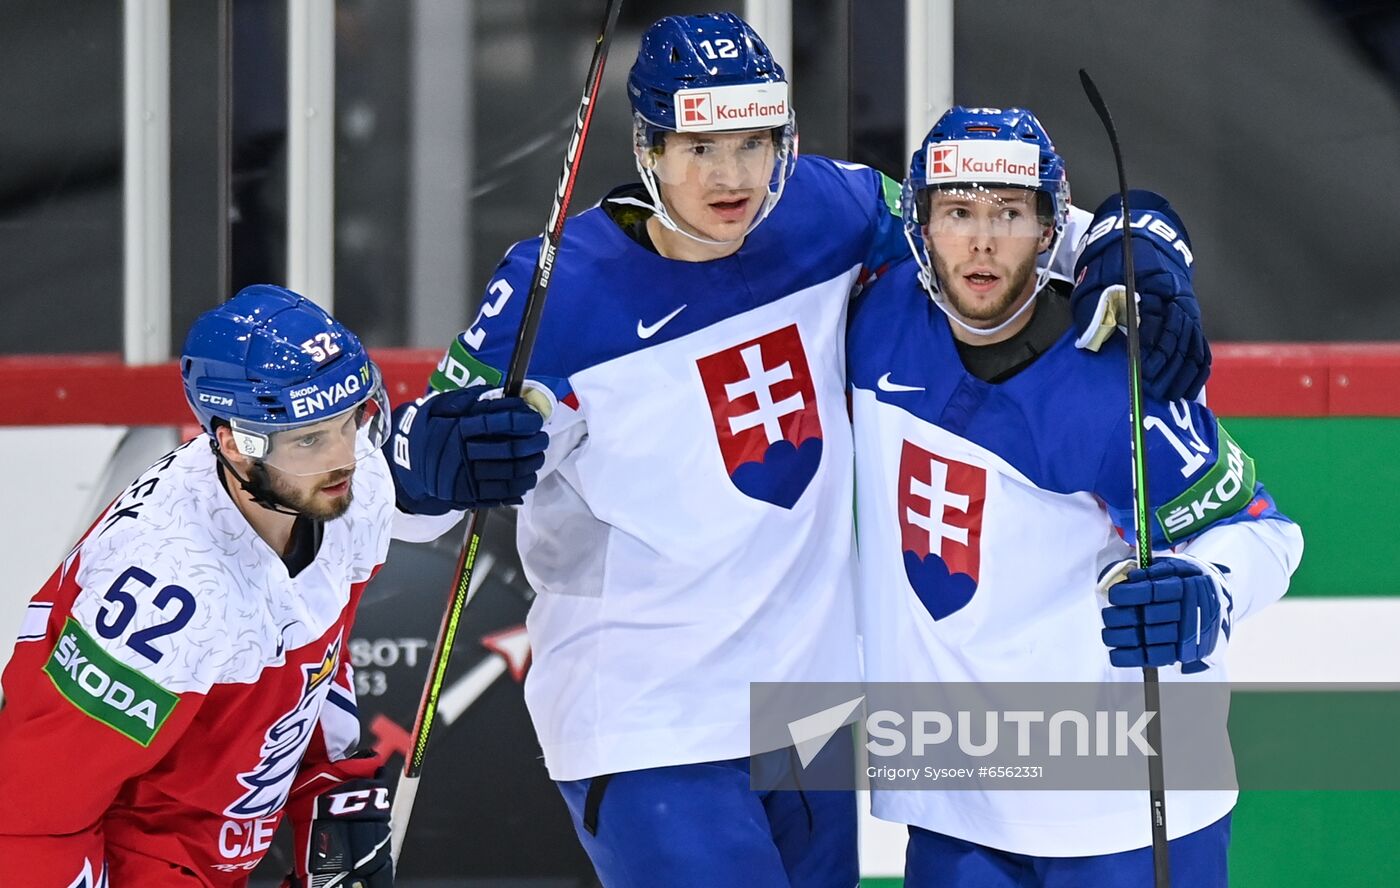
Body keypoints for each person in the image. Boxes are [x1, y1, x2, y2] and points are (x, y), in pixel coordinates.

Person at [386, 14, 1209, 888]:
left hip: (804, 707)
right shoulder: (557, 284)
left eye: (754, 143)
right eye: (701, 147)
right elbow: (405, 479)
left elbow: (996, 224)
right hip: (645, 709)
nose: (733, 175)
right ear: (649, 148)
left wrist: (1143, 243)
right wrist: (433, 460)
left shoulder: (833, 208)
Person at [845, 106, 1304, 886]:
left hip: (1127, 805)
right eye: (958, 213)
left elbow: (1264, 529)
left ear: (1051, 227)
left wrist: (1212, 590)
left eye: (1010, 216)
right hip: (955, 805)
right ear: (920, 225)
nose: (983, 241)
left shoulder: (1115, 379)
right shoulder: (874, 315)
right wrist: (1140, 226)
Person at [0, 285, 545, 887]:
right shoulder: (171, 593)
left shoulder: (337, 492)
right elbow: (30, 817)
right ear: (233, 441)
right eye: (309, 439)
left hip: (216, 856)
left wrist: (333, 787)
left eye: (348, 421)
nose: (344, 459)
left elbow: (316, 656)